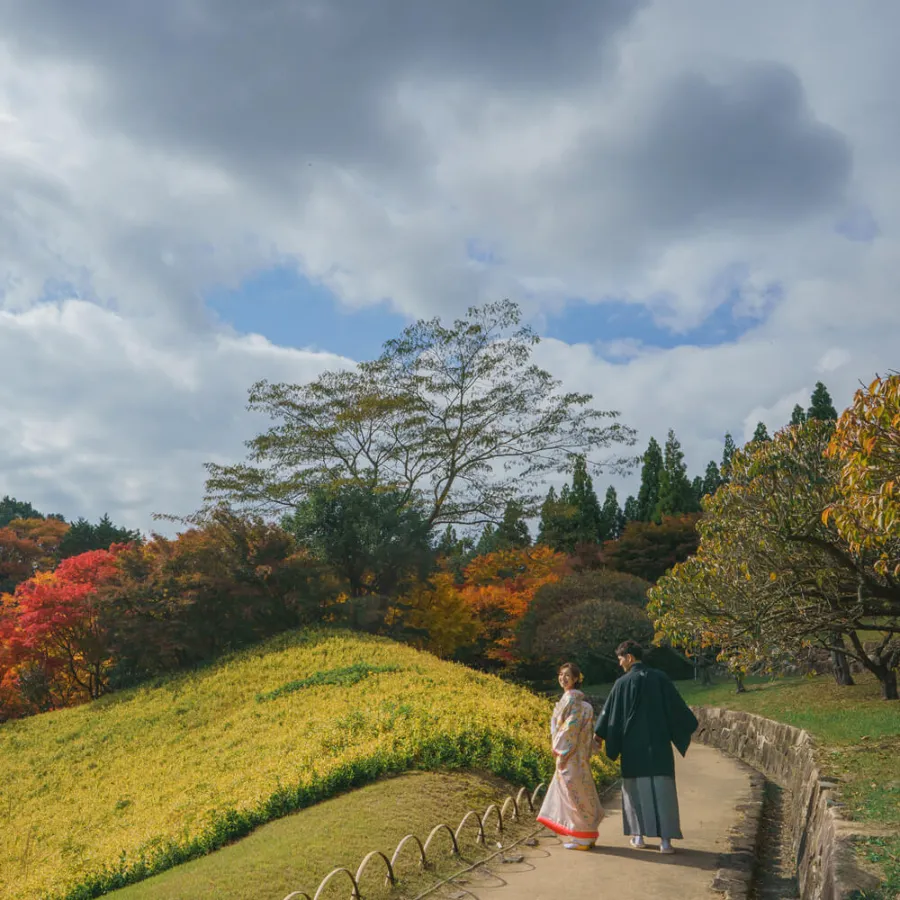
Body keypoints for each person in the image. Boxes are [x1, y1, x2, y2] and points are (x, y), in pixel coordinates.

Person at [594, 640, 698, 855]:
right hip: (659, 746)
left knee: (634, 791)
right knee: (663, 790)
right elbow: (677, 708)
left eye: (621, 659)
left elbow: (609, 716)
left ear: (630, 657)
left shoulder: (621, 684)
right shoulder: (660, 678)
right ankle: (666, 842)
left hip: (632, 749)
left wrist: (599, 735)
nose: (620, 663)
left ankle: (638, 836)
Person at [536, 662, 605, 850]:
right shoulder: (584, 704)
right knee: (582, 791)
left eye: (567, 675)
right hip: (580, 756)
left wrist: (561, 750)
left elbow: (570, 728)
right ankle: (587, 834)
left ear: (576, 679)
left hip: (569, 754)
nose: (563, 678)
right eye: (560, 674)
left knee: (572, 794)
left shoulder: (571, 700)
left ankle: (581, 837)